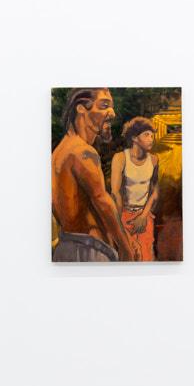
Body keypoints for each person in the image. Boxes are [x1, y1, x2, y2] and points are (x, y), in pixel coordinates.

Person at [51, 88, 139, 262]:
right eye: (104, 106)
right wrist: (125, 247)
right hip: (88, 251)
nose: (112, 113)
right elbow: (102, 201)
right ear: (81, 109)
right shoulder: (82, 151)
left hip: (69, 247)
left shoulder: (59, 152)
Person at [111, 117, 160, 261]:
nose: (151, 139)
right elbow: (115, 193)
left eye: (152, 136)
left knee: (146, 256)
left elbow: (155, 191)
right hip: (123, 215)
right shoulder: (120, 158)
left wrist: (143, 216)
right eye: (146, 135)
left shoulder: (154, 160)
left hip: (144, 215)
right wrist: (119, 224)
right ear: (134, 138)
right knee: (126, 256)